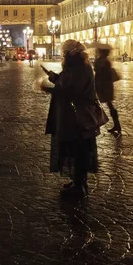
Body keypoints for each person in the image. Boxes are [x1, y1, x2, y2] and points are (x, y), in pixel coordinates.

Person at [41, 40, 100, 197]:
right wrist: (54, 77)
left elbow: (71, 91)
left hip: (78, 118)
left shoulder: (80, 68)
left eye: (64, 53)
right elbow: (66, 82)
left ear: (70, 54)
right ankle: (77, 181)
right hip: (72, 117)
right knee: (73, 148)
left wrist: (49, 89)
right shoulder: (77, 67)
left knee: (79, 149)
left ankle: (80, 185)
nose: (63, 56)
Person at [94, 44, 121, 134]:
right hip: (101, 85)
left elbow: (102, 73)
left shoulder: (105, 62)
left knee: (108, 104)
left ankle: (116, 124)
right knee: (109, 105)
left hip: (104, 86)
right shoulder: (102, 61)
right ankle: (116, 124)